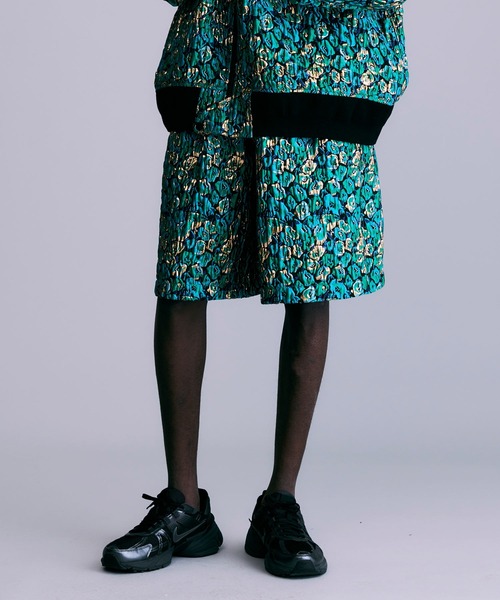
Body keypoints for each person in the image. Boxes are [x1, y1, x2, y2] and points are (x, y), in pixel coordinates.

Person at [101, 0, 408, 578]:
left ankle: (280, 504)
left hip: (316, 73)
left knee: (310, 281)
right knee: (183, 276)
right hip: (214, 71)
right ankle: (185, 506)